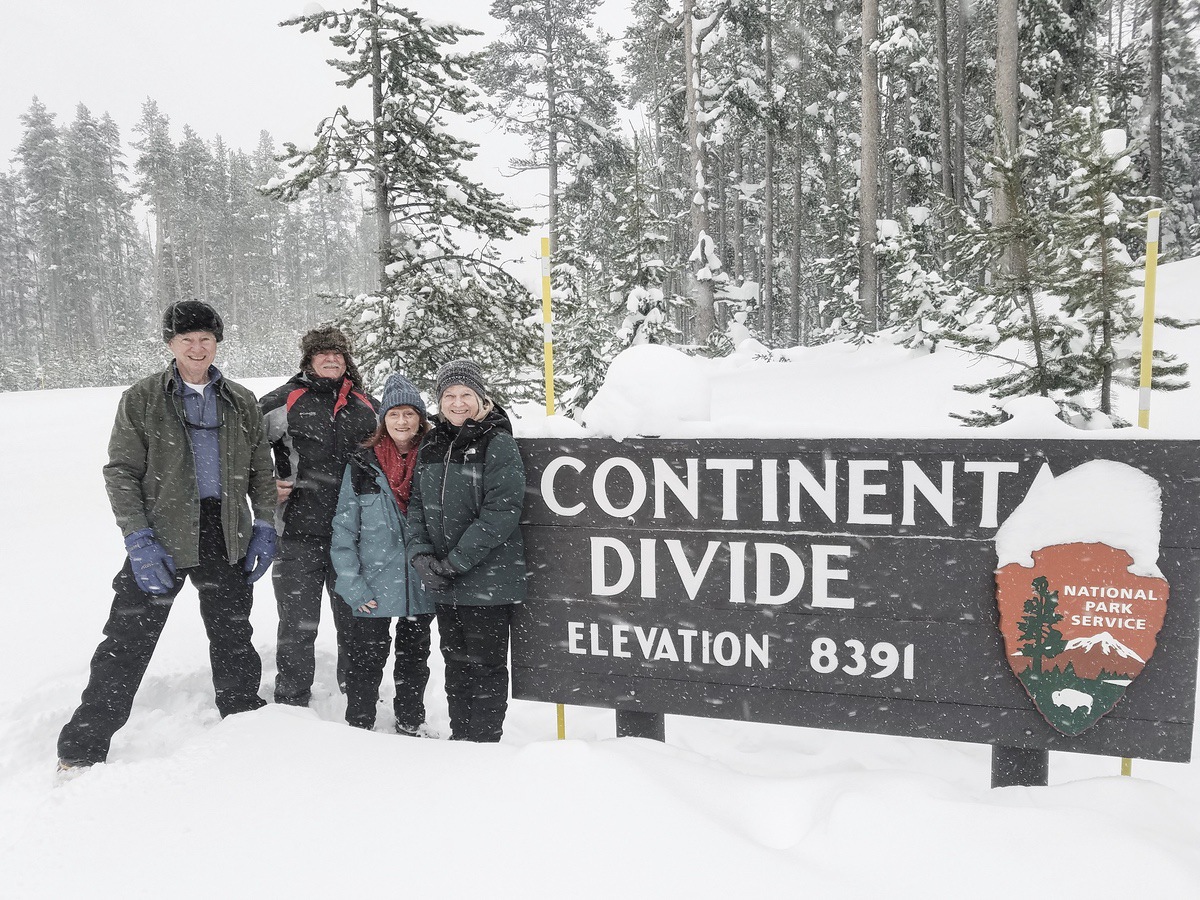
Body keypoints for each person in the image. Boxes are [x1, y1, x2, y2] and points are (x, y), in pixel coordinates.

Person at [57, 300, 277, 773]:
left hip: (225, 532)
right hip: (165, 531)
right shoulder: (143, 398)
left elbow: (262, 466)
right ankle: (81, 747)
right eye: (186, 340)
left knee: (233, 635)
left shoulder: (239, 399)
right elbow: (120, 472)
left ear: (217, 343)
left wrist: (264, 523)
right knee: (127, 640)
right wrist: (138, 538)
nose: (197, 348)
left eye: (206, 339)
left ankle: (244, 727)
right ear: (170, 344)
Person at [407, 359, 528, 742]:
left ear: (480, 398)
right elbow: (416, 506)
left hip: (488, 581)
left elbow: (502, 510)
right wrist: (422, 555)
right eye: (449, 396)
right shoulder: (432, 443)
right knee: (456, 665)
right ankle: (461, 741)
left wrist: (455, 563)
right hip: (445, 580)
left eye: (466, 395)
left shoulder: (497, 441)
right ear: (439, 401)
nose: (458, 403)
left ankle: (484, 744)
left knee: (486, 666)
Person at [260, 327, 378, 706]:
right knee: (297, 626)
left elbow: (400, 445)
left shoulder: (367, 405)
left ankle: (359, 697)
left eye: (338, 354)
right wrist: (264, 483)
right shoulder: (282, 401)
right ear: (309, 359)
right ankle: (292, 702)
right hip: (296, 533)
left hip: (354, 537)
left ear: (347, 359)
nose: (331, 359)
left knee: (355, 624)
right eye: (322, 353)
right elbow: (240, 449)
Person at [330, 374, 437, 734]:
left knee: (414, 662)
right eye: (394, 414)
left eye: (409, 413)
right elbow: (344, 529)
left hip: (420, 584)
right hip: (372, 587)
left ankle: (410, 722)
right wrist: (351, 584)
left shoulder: (435, 459)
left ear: (421, 419)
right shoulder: (363, 464)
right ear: (383, 419)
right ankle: (359, 726)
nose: (402, 421)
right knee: (365, 661)